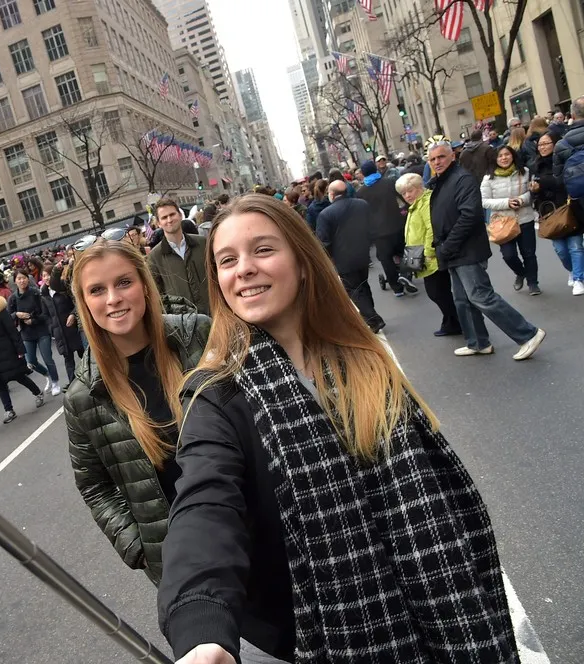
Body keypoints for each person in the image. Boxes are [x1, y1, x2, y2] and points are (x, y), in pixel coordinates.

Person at [157, 194, 519, 664]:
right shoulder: (217, 396)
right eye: (228, 260)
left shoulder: (365, 359)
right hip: (333, 631)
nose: (243, 269)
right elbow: (204, 505)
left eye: (263, 250)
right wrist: (199, 624)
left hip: (451, 609)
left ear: (303, 263)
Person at [65, 240, 210, 585]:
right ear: (85, 304)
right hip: (181, 559)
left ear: (144, 285)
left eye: (124, 282)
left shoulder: (198, 335)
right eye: (97, 290)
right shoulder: (84, 396)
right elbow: (94, 487)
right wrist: (137, 546)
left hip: (255, 524)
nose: (113, 298)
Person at [427, 140, 545, 360]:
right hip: (454, 251)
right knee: (462, 300)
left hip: (466, 250)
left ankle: (528, 334)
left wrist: (448, 246)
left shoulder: (461, 179)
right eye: (433, 159)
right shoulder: (442, 181)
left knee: (481, 297)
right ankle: (478, 342)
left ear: (452, 156)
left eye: (441, 157)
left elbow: (470, 216)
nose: (437, 162)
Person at [396, 173, 462, 335]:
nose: (407, 196)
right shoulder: (417, 203)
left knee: (437, 292)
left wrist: (428, 252)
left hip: (429, 256)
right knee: (439, 292)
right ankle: (451, 322)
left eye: (410, 191)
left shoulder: (425, 203)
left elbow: (431, 229)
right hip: (421, 254)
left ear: (419, 188)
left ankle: (456, 322)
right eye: (403, 193)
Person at [316, 180, 386, 333]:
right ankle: (369, 315)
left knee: (354, 289)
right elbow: (371, 227)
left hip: (343, 258)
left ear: (332, 194)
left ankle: (373, 319)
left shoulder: (326, 214)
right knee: (363, 284)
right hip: (362, 253)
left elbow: (324, 241)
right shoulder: (362, 204)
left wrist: (327, 259)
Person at [0, 289, 45, 424]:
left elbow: (13, 332)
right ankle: (9, 410)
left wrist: (20, 351)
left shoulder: (0, 313)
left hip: (7, 352)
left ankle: (38, 393)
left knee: (19, 377)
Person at [480, 145, 540, 294]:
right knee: (509, 255)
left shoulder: (524, 172)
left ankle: (533, 283)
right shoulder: (488, 178)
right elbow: (484, 201)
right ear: (495, 159)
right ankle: (521, 273)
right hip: (503, 223)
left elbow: (531, 193)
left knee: (529, 254)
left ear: (512, 155)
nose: (504, 158)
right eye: (500, 156)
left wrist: (521, 200)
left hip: (524, 218)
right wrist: (506, 202)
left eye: (507, 154)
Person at [531, 130, 584, 293]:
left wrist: (543, 183)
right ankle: (573, 271)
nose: (543, 147)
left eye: (546, 143)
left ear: (555, 144)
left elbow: (562, 182)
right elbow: (535, 190)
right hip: (549, 212)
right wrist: (534, 190)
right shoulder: (535, 165)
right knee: (560, 250)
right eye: (540, 144)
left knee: (575, 246)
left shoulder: (564, 159)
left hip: (568, 207)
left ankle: (579, 279)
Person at [357, 160, 417, 296]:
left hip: (378, 232)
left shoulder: (361, 192)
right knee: (406, 251)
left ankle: (397, 288)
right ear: (375, 168)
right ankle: (406, 275)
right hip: (397, 224)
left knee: (386, 259)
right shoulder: (389, 183)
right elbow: (403, 198)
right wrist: (407, 211)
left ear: (363, 173)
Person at [147, 198, 211, 315]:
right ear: (159, 223)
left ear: (180, 215)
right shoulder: (154, 257)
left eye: (172, 214)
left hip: (215, 315)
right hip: (184, 324)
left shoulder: (203, 243)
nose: (169, 220)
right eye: (164, 217)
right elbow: (158, 296)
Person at [10, 270, 62, 396]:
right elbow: (8, 316)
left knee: (47, 357)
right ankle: (47, 374)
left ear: (28, 279)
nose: (22, 281)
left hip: (41, 330)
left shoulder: (35, 293)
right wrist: (17, 314)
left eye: (24, 278)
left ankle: (55, 382)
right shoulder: (13, 298)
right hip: (26, 333)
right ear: (15, 281)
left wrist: (33, 320)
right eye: (19, 279)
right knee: (31, 361)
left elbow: (45, 313)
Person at [41, 265, 84, 390]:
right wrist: (52, 328)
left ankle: (90, 375)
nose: (47, 278)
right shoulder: (44, 295)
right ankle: (72, 384)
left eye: (48, 274)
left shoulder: (63, 288)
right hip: (60, 332)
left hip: (74, 328)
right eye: (44, 275)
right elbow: (46, 315)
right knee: (68, 358)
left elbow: (76, 304)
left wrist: (73, 315)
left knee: (83, 354)